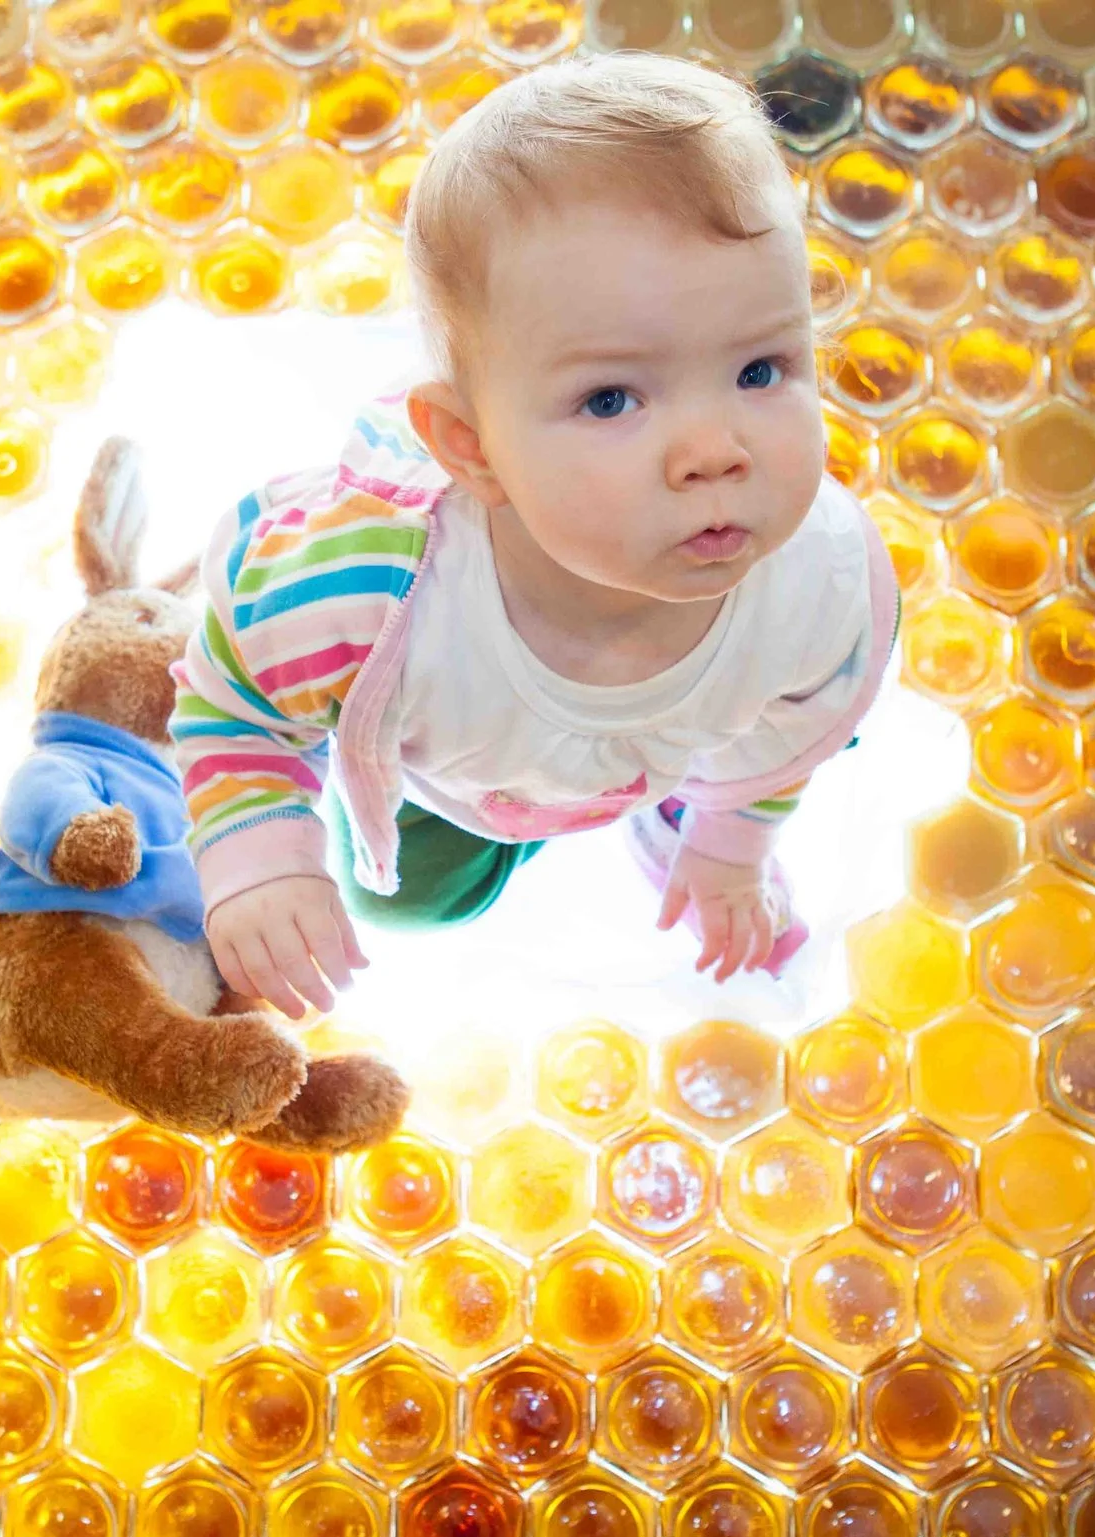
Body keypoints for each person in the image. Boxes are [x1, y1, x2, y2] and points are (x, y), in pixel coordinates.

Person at [169, 50, 899, 1020]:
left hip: (674, 744)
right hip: (457, 777)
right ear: (469, 448)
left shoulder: (820, 580)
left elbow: (795, 728)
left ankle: (672, 802)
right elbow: (232, 704)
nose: (714, 451)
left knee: (774, 731)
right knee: (415, 905)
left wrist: (729, 844)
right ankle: (553, 824)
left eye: (760, 370)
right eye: (610, 398)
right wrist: (258, 861)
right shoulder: (362, 594)